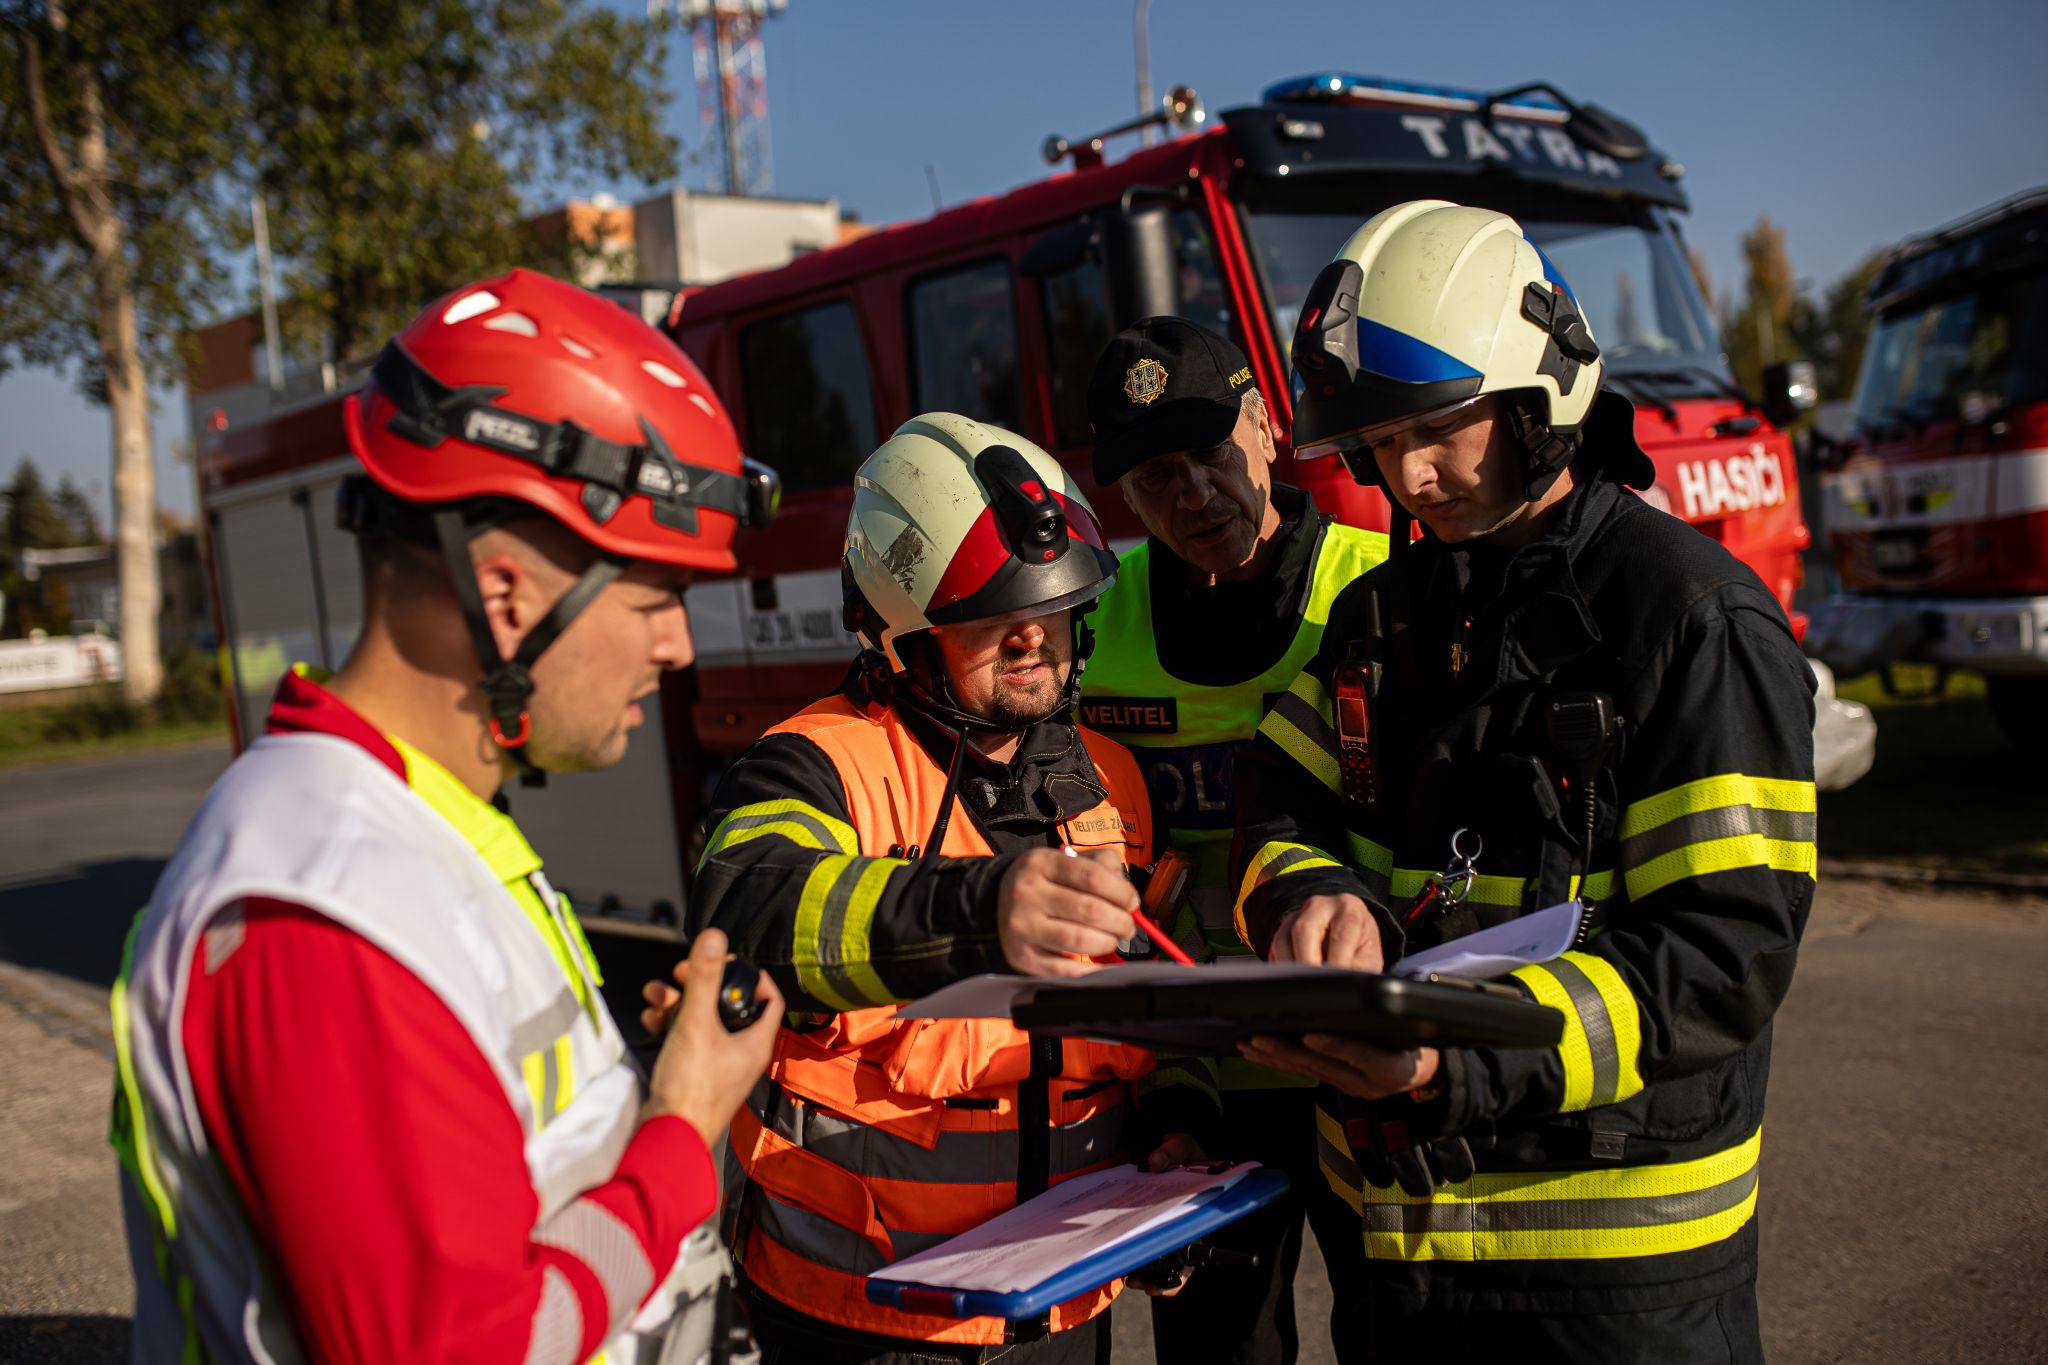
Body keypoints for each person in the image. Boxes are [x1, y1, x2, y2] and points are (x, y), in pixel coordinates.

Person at [110, 269, 786, 1365]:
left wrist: (639, 1094)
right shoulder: (321, 911)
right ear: (508, 592)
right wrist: (678, 1132)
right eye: (657, 599)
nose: (679, 649)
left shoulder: (409, 828)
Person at [1230, 201, 1817, 1363]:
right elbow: (1280, 801)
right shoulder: (1381, 621)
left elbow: (1722, 952)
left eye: (1440, 427)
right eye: (1379, 440)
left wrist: (1461, 1057)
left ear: (1539, 394)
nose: (1408, 473)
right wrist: (1307, 896)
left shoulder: (1692, 620)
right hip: (1404, 1256)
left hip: (1613, 1286)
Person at [681, 412, 1208, 1364]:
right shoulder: (811, 767)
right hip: (860, 1322)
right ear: (898, 634)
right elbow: (746, 914)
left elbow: (1162, 1011)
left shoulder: (1114, 783)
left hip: (1068, 1310)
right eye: (987, 618)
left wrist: (1178, 1126)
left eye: (1050, 605)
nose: (1032, 638)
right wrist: (972, 909)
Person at [1077, 316, 1386, 1365]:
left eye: (1209, 454)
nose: (1193, 495)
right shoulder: (1090, 629)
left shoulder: (1375, 589)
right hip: (1196, 1078)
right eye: (1154, 478)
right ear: (1122, 498)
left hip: (1364, 1061)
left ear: (1266, 427)